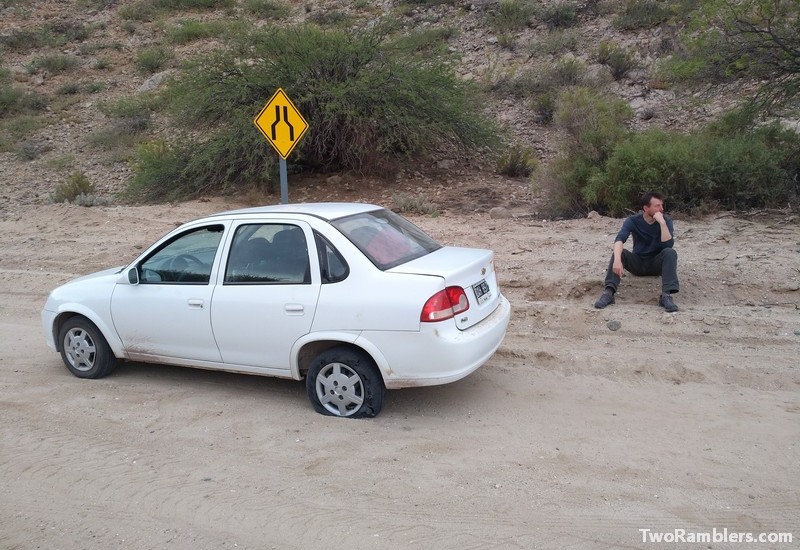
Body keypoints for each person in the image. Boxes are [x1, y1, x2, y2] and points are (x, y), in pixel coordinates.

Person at [594, 192, 679, 312]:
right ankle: (608, 293)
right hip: (638, 263)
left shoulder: (666, 221)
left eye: (661, 205)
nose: (661, 209)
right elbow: (619, 240)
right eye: (657, 206)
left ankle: (666, 296)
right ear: (646, 208)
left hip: (657, 264)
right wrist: (617, 260)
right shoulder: (633, 221)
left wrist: (662, 224)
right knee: (619, 252)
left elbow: (668, 245)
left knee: (670, 252)